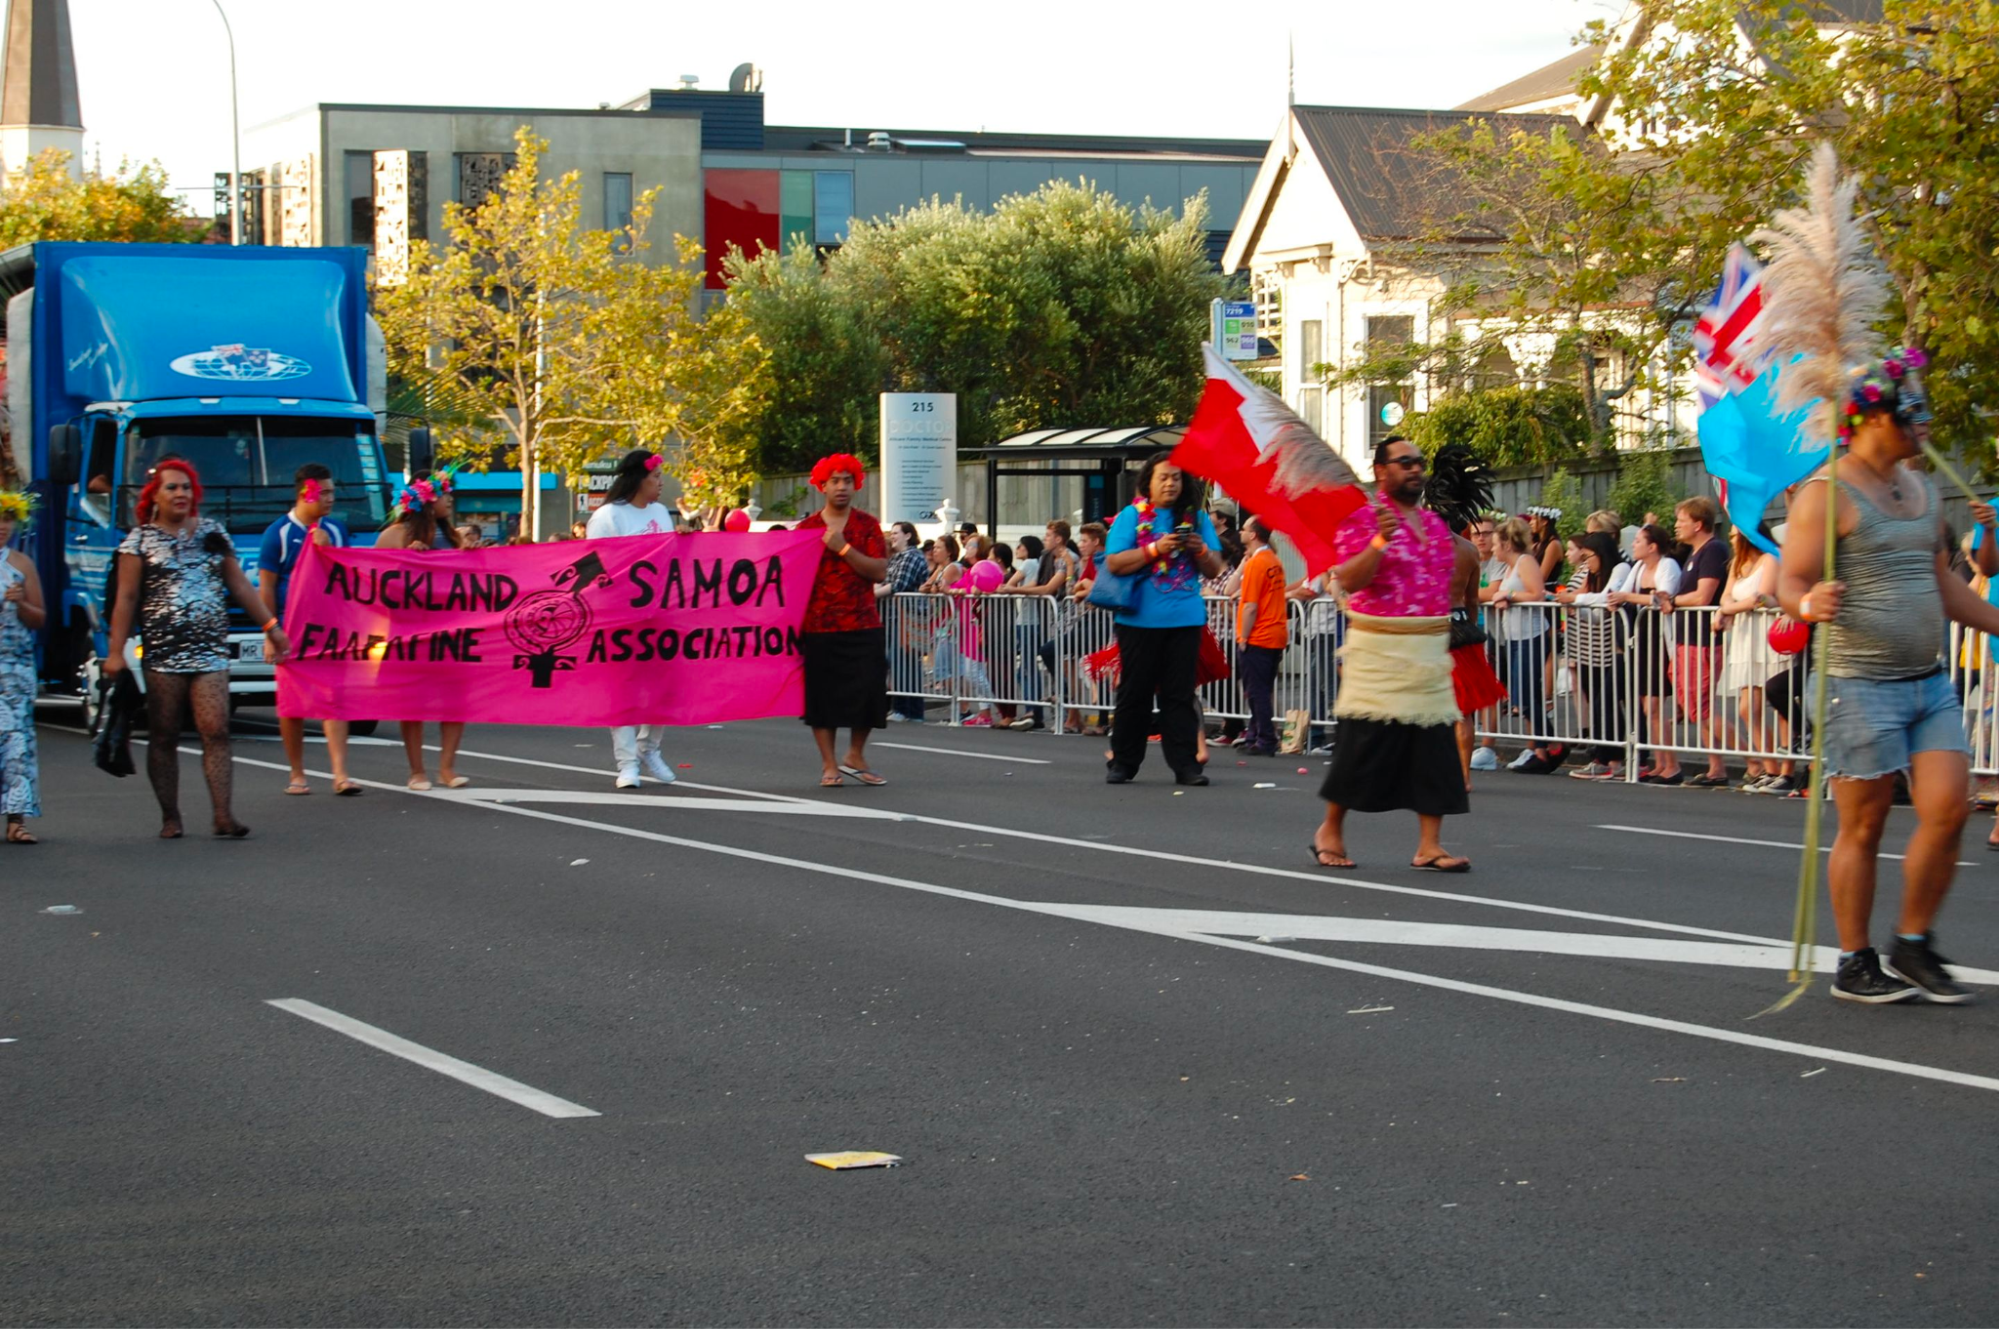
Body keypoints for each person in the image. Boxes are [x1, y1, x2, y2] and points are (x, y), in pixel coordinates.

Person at [1779, 346, 1999, 1002]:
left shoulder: (1924, 490)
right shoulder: (1825, 493)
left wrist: (1995, 620)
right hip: (1856, 683)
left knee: (1948, 808)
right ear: (1871, 418)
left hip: (1926, 681)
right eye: (1911, 410)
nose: (1922, 423)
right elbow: (1790, 579)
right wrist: (1805, 601)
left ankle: (1911, 942)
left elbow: (1939, 585)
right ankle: (1853, 960)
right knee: (1865, 825)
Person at [106, 457, 291, 838]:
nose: (180, 494)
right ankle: (170, 817)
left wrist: (272, 628)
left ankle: (223, 814)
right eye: (172, 487)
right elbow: (125, 598)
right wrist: (114, 651)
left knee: (216, 730)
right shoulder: (138, 541)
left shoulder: (212, 534)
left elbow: (240, 586)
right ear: (154, 496)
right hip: (163, 654)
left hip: (210, 653)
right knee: (164, 733)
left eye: (186, 487)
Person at [1311, 437, 1468, 870]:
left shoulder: (1436, 525)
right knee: (1363, 747)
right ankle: (1330, 829)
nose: (1416, 469)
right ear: (1381, 470)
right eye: (1405, 462)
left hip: (1427, 650)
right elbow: (1350, 579)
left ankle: (1429, 845)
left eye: (1420, 462)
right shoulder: (1361, 520)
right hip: (1379, 648)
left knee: (1434, 746)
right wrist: (1380, 540)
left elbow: (1445, 582)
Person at [1101, 453, 1224, 785]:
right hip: (1139, 620)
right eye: (1164, 478)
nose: (1171, 483)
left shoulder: (1197, 519)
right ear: (1148, 483)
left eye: (1176, 478)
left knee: (1179, 695)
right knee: (1134, 693)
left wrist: (1200, 550)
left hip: (1184, 620)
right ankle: (1124, 762)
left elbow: (1215, 569)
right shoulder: (1131, 516)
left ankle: (1186, 765)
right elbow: (1114, 563)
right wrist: (1155, 549)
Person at [258, 463, 361, 797]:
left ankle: (341, 773)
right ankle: (297, 773)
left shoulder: (337, 530)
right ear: (306, 492)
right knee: (292, 703)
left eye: (333, 492)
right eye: (325, 492)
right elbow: (266, 588)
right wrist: (270, 632)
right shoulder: (279, 533)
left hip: (330, 628)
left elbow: (350, 578)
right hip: (291, 630)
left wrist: (327, 548)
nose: (330, 499)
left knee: (335, 698)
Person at [585, 450, 679, 788]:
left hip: (660, 614)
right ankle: (627, 765)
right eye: (655, 477)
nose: (660, 483)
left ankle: (648, 748)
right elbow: (589, 565)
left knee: (662, 689)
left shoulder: (660, 513)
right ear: (639, 479)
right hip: (619, 618)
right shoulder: (608, 517)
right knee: (622, 690)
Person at [795, 455, 890, 785]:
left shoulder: (867, 525)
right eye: (834, 481)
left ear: (856, 484)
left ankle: (855, 755)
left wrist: (843, 548)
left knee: (870, 692)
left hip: (863, 622)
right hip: (819, 626)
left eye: (847, 480)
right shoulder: (806, 530)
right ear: (822, 485)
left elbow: (879, 571)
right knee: (823, 699)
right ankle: (829, 764)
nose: (841, 487)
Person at [376, 473, 470, 791]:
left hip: (452, 634)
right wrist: (407, 562)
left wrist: (475, 555)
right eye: (445, 495)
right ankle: (417, 771)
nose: (451, 500)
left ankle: (447, 767)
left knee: (455, 701)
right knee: (412, 703)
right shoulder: (392, 536)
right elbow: (374, 585)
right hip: (409, 635)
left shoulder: (455, 537)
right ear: (428, 501)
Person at [1665, 497, 1731, 787]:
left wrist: (1672, 601)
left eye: (1681, 521)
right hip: (1686, 639)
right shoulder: (1694, 553)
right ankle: (1716, 767)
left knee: (1702, 708)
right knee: (1696, 708)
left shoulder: (1713, 550)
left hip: (1702, 641)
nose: (1677, 526)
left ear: (1699, 524)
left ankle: (1758, 762)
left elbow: (1703, 597)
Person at [1610, 523, 1683, 783]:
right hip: (1642, 640)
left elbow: (1663, 598)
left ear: (1652, 546)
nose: (1634, 544)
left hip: (1660, 641)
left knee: (1654, 705)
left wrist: (1627, 596)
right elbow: (1621, 594)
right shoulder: (1638, 568)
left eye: (1639, 540)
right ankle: (1660, 763)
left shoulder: (1668, 566)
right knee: (1645, 705)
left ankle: (1672, 764)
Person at [1557, 531, 1630, 780]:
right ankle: (1605, 757)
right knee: (1599, 703)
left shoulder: (1620, 568)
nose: (1587, 563)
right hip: (1595, 648)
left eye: (1589, 557)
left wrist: (1576, 598)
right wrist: (1575, 609)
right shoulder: (1593, 576)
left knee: (1607, 704)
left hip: (1616, 648)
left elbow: (1605, 598)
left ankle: (1615, 757)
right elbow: (1597, 613)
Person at [1489, 517, 1556, 773]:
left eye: (1496, 544)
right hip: (1515, 635)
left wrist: (1509, 595)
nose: (1493, 549)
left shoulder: (1525, 561)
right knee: (1521, 694)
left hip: (1531, 634)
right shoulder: (1509, 567)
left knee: (1525, 694)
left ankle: (1546, 747)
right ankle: (1543, 747)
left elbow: (1536, 593)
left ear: (1507, 543)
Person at [1717, 530, 1782, 791]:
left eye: (1734, 535)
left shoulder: (1770, 558)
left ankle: (1782, 769)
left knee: (1776, 704)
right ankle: (1770, 766)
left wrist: (1728, 609)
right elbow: (1725, 596)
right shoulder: (1736, 563)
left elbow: (1760, 597)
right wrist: (1729, 606)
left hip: (1766, 635)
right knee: (1747, 708)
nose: (1731, 539)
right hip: (1745, 637)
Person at [0, 488, 45, 843]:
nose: (2, 526)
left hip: (14, 667)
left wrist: (20, 604)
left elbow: (40, 618)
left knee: (16, 741)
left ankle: (17, 819)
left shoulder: (22, 564)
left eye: (7, 519)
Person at [1006, 523, 1078, 730]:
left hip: (1068, 615)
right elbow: (1038, 584)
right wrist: (1013, 588)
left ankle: (1069, 710)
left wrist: (1013, 591)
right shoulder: (1047, 557)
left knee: (1063, 664)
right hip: (1051, 618)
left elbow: (1048, 588)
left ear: (1058, 539)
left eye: (1048, 535)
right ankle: (1068, 712)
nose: (1044, 539)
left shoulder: (1068, 558)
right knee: (1057, 662)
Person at [1233, 516, 1288, 755]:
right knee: (1261, 689)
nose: (1240, 532)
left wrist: (1243, 637)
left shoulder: (1257, 563)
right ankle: (1256, 735)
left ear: (1253, 535)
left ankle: (1266, 738)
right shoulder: (1273, 559)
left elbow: (1251, 606)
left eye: (1244, 529)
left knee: (1257, 691)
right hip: (1275, 633)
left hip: (1259, 635)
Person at [876, 520, 929, 721]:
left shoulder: (912, 557)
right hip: (892, 615)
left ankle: (906, 709)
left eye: (896, 532)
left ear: (908, 535)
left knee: (904, 663)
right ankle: (906, 709)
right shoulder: (897, 558)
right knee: (899, 662)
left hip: (905, 616)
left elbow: (899, 585)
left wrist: (873, 594)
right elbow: (884, 580)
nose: (893, 536)